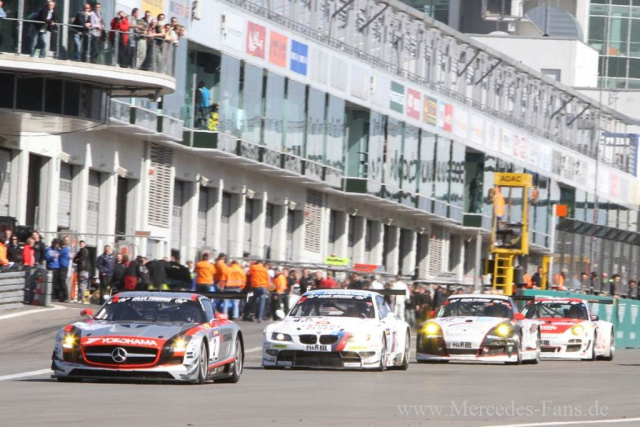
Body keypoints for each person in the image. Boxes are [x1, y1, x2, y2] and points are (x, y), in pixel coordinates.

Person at [58, 236, 71, 302]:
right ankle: (62, 297)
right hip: (63, 266)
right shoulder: (67, 249)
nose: (66, 241)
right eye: (65, 240)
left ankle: (66, 296)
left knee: (62, 281)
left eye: (67, 240)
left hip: (63, 266)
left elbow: (58, 254)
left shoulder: (64, 249)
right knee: (61, 281)